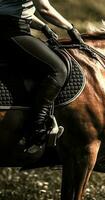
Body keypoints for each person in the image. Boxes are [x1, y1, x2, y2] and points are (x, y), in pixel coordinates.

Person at [0, 0, 84, 148]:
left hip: (8, 27)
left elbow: (14, 9)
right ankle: (37, 128)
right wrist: (70, 28)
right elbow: (45, 9)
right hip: (11, 31)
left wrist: (43, 26)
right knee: (58, 69)